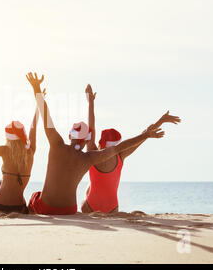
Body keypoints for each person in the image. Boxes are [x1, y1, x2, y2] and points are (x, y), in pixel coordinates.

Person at [25, 72, 165, 215]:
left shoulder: (57, 145)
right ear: (86, 140)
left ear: (69, 135)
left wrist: (36, 88)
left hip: (47, 208)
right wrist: (146, 135)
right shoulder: (88, 157)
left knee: (35, 196)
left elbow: (46, 117)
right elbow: (120, 147)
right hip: (69, 210)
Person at [81, 84, 181, 213]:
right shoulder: (120, 155)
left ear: (101, 143)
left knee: (88, 189)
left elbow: (91, 126)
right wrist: (160, 121)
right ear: (118, 144)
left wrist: (90, 103)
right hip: (112, 208)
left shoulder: (92, 153)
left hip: (90, 207)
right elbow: (143, 136)